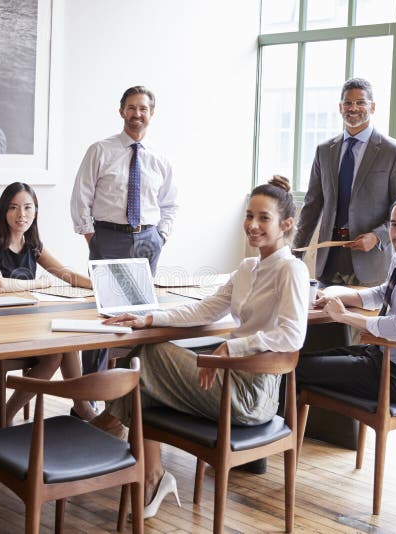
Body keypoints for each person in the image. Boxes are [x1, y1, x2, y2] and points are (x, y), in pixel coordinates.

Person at [96, 176, 308, 519]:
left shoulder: (291, 270)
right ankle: (151, 474)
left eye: (263, 218)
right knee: (147, 369)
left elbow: (293, 335)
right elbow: (205, 309)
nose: (252, 225)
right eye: (249, 215)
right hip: (227, 382)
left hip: (253, 395)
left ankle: (109, 427)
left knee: (148, 358)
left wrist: (232, 350)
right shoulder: (248, 267)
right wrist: (149, 318)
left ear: (286, 224)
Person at [296, 195, 396, 403]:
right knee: (299, 360)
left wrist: (344, 316)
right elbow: (383, 293)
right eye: (394, 225)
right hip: (382, 356)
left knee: (296, 368)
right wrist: (336, 296)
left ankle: (278, 432)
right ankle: (299, 432)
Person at [70, 85, 178, 374]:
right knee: (104, 317)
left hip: (147, 240)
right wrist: (93, 237)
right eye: (131, 108)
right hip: (108, 237)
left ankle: (132, 394)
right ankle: (91, 393)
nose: (137, 114)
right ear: (121, 111)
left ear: (151, 114)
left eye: (143, 108)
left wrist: (160, 237)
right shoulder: (100, 150)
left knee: (142, 316)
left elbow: (170, 205)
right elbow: (81, 196)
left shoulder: (160, 159)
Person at [0, 182, 97, 426]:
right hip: (0, 328)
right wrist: (38, 285)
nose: (21, 214)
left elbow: (66, 273)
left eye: (27, 207)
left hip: (28, 322)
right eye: (13, 208)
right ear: (4, 211)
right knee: (57, 352)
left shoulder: (33, 247)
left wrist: (99, 284)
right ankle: (81, 407)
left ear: (35, 211)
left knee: (65, 344)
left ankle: (9, 413)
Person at [294, 77, 396, 288]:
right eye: (348, 103)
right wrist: (294, 256)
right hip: (329, 258)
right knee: (323, 319)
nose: (353, 108)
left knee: (363, 321)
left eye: (361, 102)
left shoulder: (394, 152)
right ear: (340, 107)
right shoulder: (324, 151)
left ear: (373, 107)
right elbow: (312, 205)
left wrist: (378, 237)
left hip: (370, 259)